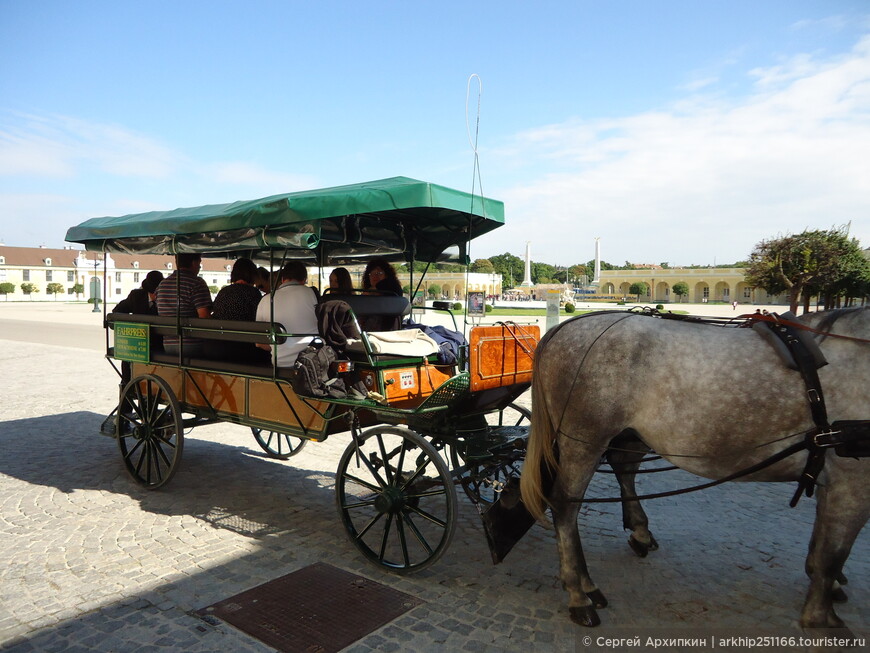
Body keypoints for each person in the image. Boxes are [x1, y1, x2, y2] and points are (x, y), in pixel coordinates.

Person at [205, 258, 269, 363]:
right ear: (252, 275)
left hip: (215, 347)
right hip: (242, 349)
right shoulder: (254, 293)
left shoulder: (223, 292)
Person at [255, 261, 318, 366]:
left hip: (280, 365)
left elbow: (259, 343)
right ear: (304, 280)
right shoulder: (310, 293)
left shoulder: (265, 300)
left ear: (283, 279)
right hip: (309, 363)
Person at [155, 253, 213, 355]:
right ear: (193, 262)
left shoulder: (163, 284)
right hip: (192, 343)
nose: (200, 266)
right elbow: (204, 317)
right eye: (199, 262)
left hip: (167, 343)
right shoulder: (196, 283)